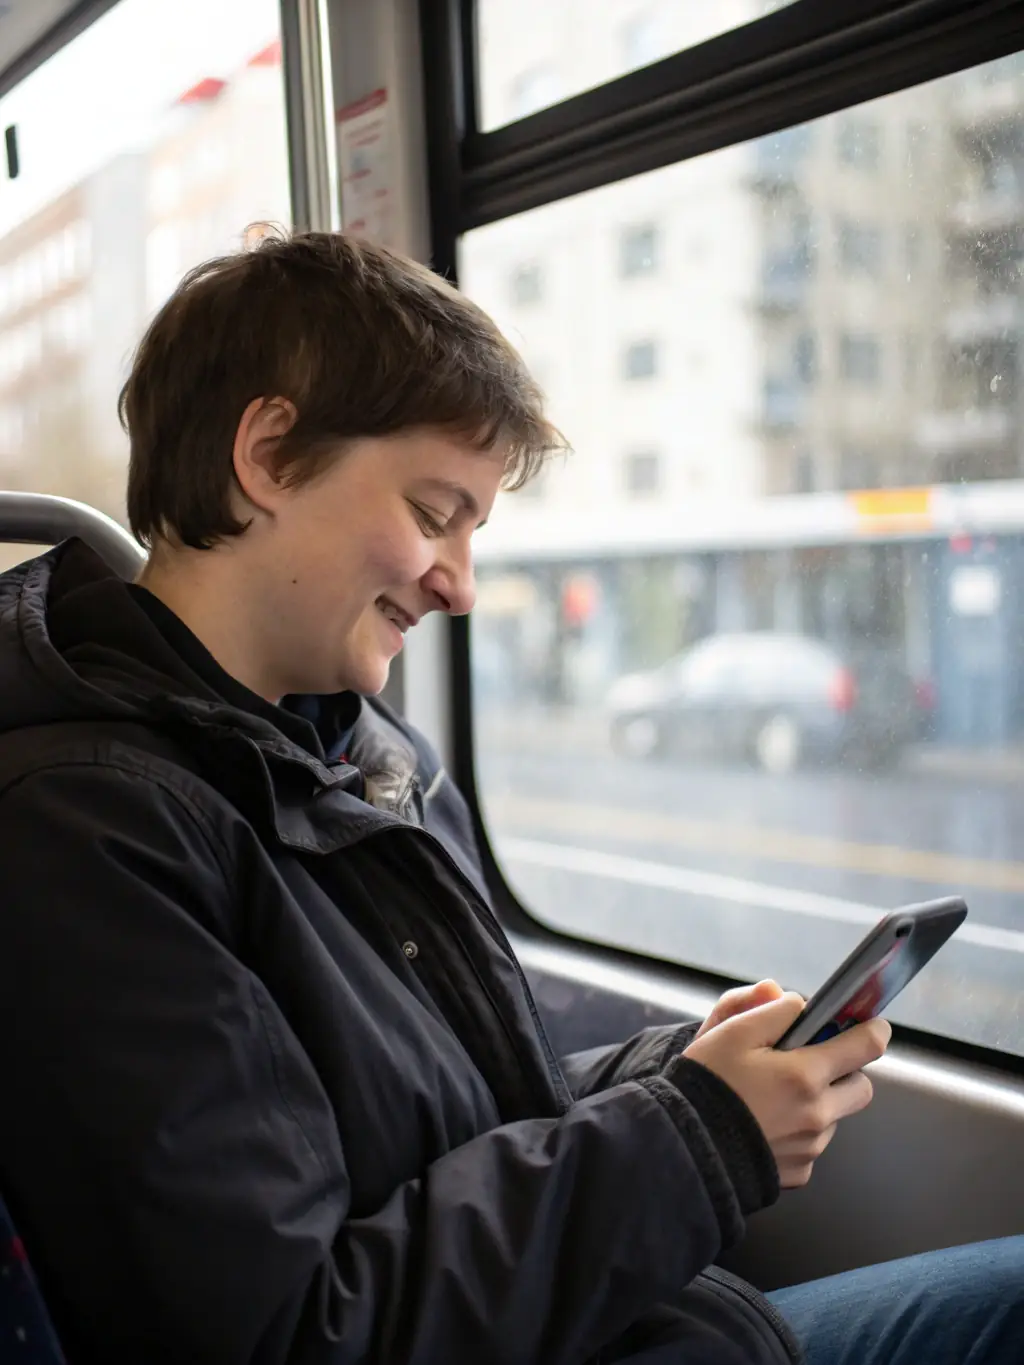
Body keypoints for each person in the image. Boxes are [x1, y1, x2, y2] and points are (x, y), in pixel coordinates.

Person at [0, 229, 1017, 1365]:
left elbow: (459, 1119)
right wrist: (696, 1136)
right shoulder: (87, 836)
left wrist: (672, 1076)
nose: (462, 584)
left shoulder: (364, 759)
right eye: (436, 514)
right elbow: (293, 1337)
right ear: (270, 455)